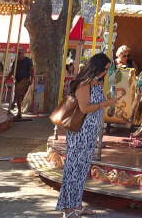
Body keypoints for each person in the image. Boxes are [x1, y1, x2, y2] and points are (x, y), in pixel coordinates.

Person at [56, 53, 118, 218]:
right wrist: (107, 103)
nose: (105, 72)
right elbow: (85, 108)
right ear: (96, 67)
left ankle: (77, 205)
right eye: (104, 69)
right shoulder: (84, 84)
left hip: (90, 132)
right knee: (73, 169)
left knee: (82, 170)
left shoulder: (96, 83)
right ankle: (68, 209)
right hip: (80, 132)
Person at [10, 48, 34, 119]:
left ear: (23, 53)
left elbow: (32, 70)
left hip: (25, 79)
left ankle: (13, 103)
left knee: (18, 91)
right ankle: (19, 112)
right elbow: (12, 71)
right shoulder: (16, 61)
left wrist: (31, 79)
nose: (18, 55)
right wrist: (6, 79)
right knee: (19, 96)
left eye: (19, 53)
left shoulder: (27, 60)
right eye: (17, 53)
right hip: (17, 79)